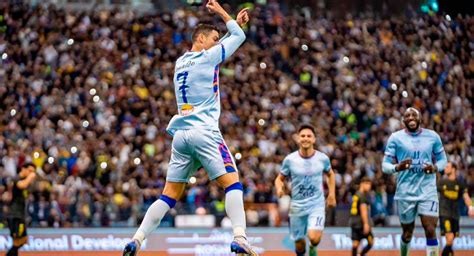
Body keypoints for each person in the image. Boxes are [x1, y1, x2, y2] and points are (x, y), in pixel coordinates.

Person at [123, 1, 257, 255]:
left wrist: (233, 27)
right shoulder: (208, 58)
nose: (219, 43)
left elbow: (229, 38)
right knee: (233, 184)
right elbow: (239, 37)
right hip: (204, 131)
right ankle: (240, 236)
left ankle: (137, 239)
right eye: (215, 39)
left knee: (168, 195)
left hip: (181, 135)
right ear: (202, 39)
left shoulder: (180, 63)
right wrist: (221, 12)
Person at [382, 107, 447, 256]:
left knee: (430, 229)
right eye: (407, 115)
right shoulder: (395, 138)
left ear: (420, 118)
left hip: (428, 191)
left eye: (414, 115)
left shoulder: (433, 136)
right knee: (407, 233)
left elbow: (444, 160)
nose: (410, 117)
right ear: (403, 120)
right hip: (405, 193)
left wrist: (435, 167)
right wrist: (397, 167)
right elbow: (385, 166)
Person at [274, 124, 336, 256]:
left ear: (314, 139)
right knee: (300, 245)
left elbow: (330, 174)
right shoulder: (290, 160)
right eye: (303, 136)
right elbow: (279, 178)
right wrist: (279, 188)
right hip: (297, 207)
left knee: (314, 238)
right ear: (298, 139)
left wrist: (332, 194)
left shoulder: (322, 158)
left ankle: (313, 248)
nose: (305, 138)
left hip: (316, 205)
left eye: (309, 136)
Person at [438, 162, 474, 256]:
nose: (445, 168)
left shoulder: (460, 184)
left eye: (447, 167)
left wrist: (470, 207)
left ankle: (448, 254)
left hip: (455, 214)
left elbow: (466, 196)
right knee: (449, 238)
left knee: (452, 239)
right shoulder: (441, 182)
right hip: (444, 213)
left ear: (453, 169)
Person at [5, 163, 37, 256]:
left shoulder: (25, 180)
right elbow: (21, 185)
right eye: (30, 171)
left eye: (33, 171)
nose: (32, 173)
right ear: (23, 169)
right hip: (15, 214)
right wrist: (30, 177)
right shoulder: (17, 178)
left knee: (22, 240)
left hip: (20, 214)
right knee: (17, 241)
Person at [349, 177, 374, 256]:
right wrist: (366, 223)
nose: (369, 187)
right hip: (361, 223)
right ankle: (361, 254)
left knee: (355, 244)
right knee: (371, 241)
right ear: (362, 184)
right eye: (368, 184)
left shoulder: (356, 194)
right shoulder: (362, 196)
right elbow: (363, 210)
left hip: (354, 222)